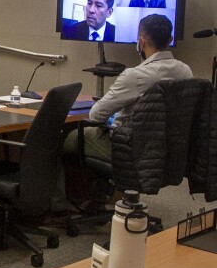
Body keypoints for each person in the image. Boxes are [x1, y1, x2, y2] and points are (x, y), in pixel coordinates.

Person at [64, 14, 191, 163]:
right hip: (169, 152)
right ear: (170, 40)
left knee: (71, 137)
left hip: (130, 150)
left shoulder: (134, 76)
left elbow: (96, 116)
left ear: (141, 41)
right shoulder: (185, 71)